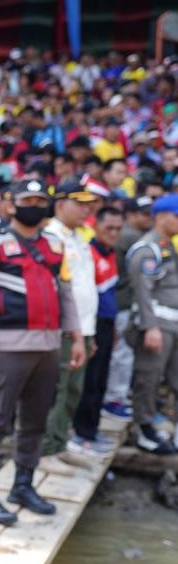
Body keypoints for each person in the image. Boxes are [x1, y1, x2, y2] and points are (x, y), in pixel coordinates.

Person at [0, 179, 85, 526]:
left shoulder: (54, 245)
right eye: (26, 199)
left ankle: (23, 484)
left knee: (34, 422)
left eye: (39, 199)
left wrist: (75, 337)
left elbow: (66, 294)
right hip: (5, 348)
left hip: (48, 347)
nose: (34, 204)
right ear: (11, 206)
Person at [40, 182, 101, 473]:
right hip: (64, 329)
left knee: (74, 389)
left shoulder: (78, 236)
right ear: (61, 203)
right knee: (58, 388)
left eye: (88, 204)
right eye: (80, 203)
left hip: (83, 328)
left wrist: (88, 333)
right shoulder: (51, 237)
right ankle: (45, 451)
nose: (86, 209)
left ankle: (60, 444)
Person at [124, 193, 178, 455]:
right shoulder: (148, 249)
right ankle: (145, 428)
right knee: (149, 377)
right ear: (161, 216)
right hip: (158, 321)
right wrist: (150, 326)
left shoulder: (168, 245)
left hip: (174, 321)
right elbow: (143, 292)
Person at [70, 207, 124, 456]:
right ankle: (82, 433)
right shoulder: (87, 253)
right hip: (90, 324)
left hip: (106, 323)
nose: (113, 233)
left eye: (117, 229)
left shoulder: (110, 253)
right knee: (89, 381)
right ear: (96, 226)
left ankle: (92, 428)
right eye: (108, 228)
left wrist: (112, 327)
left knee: (101, 379)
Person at [103, 196, 153, 420]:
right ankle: (115, 398)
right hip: (122, 300)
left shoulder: (134, 235)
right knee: (122, 353)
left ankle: (117, 396)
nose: (148, 217)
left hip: (121, 300)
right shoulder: (130, 235)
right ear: (130, 215)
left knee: (122, 353)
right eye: (143, 213)